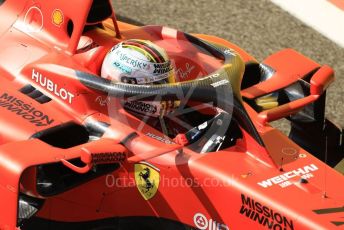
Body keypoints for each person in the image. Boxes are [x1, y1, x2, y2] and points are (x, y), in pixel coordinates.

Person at [101, 39, 233, 151]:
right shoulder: (116, 129)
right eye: (159, 84)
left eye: (168, 80)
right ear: (129, 85)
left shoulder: (170, 112)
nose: (170, 89)